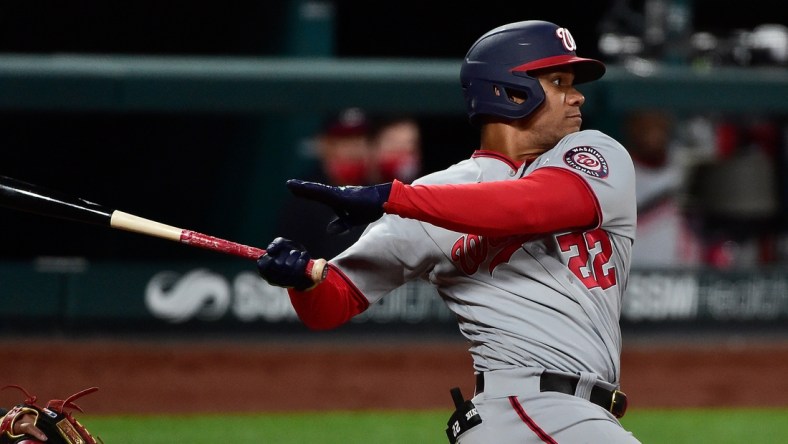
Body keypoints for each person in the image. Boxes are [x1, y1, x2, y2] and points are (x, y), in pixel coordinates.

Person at [257, 20, 640, 443]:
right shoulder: (432, 195)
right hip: (525, 410)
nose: (577, 95)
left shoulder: (595, 154)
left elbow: (529, 206)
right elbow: (334, 301)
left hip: (575, 417)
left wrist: (392, 197)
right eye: (557, 80)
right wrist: (301, 280)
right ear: (510, 91)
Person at [273, 107, 374, 260]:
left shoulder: (379, 194)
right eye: (345, 140)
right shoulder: (305, 196)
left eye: (360, 139)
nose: (355, 149)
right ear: (325, 144)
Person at [623, 109, 702, 268]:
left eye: (658, 119)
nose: (652, 128)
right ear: (631, 126)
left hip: (679, 274)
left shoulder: (687, 166)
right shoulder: (616, 171)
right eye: (645, 122)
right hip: (632, 275)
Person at [367, 114, 423, 184]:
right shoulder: (356, 191)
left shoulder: (424, 189)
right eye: (393, 143)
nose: (402, 153)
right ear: (373, 148)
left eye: (410, 143)